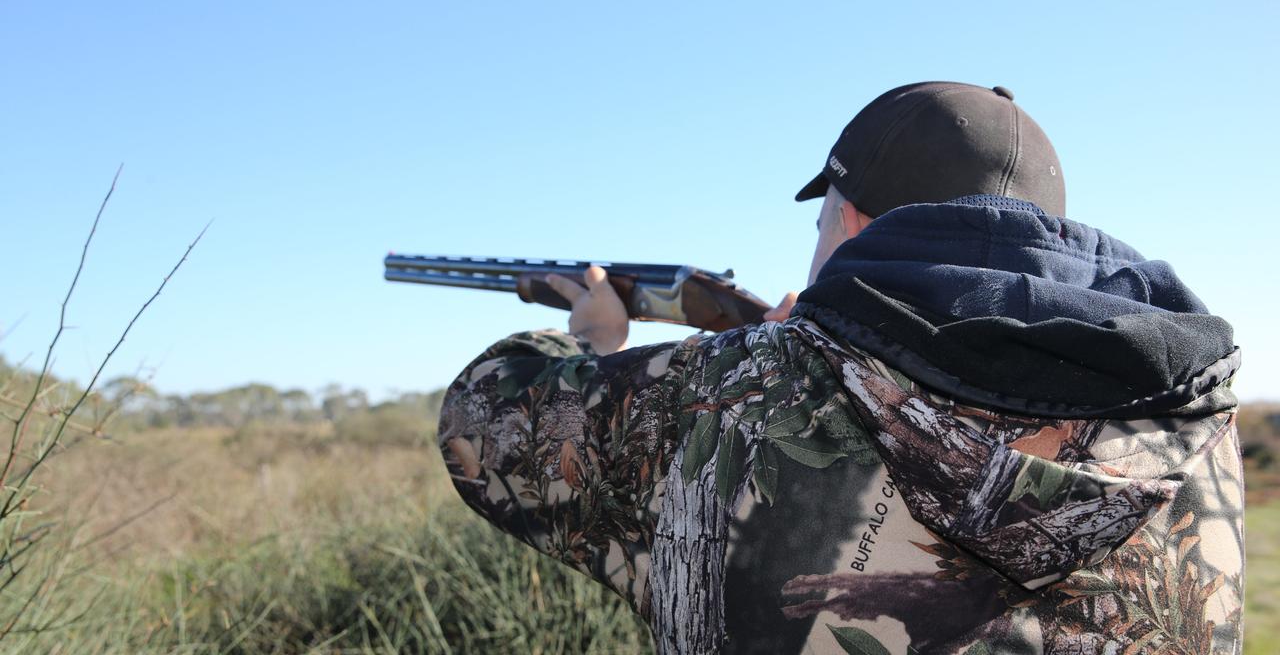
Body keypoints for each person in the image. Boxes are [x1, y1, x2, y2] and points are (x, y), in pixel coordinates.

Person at [437, 82, 1245, 654]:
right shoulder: (1196, 412)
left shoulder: (732, 392)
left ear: (851, 221)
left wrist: (594, 338)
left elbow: (481, 417)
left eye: (823, 221)